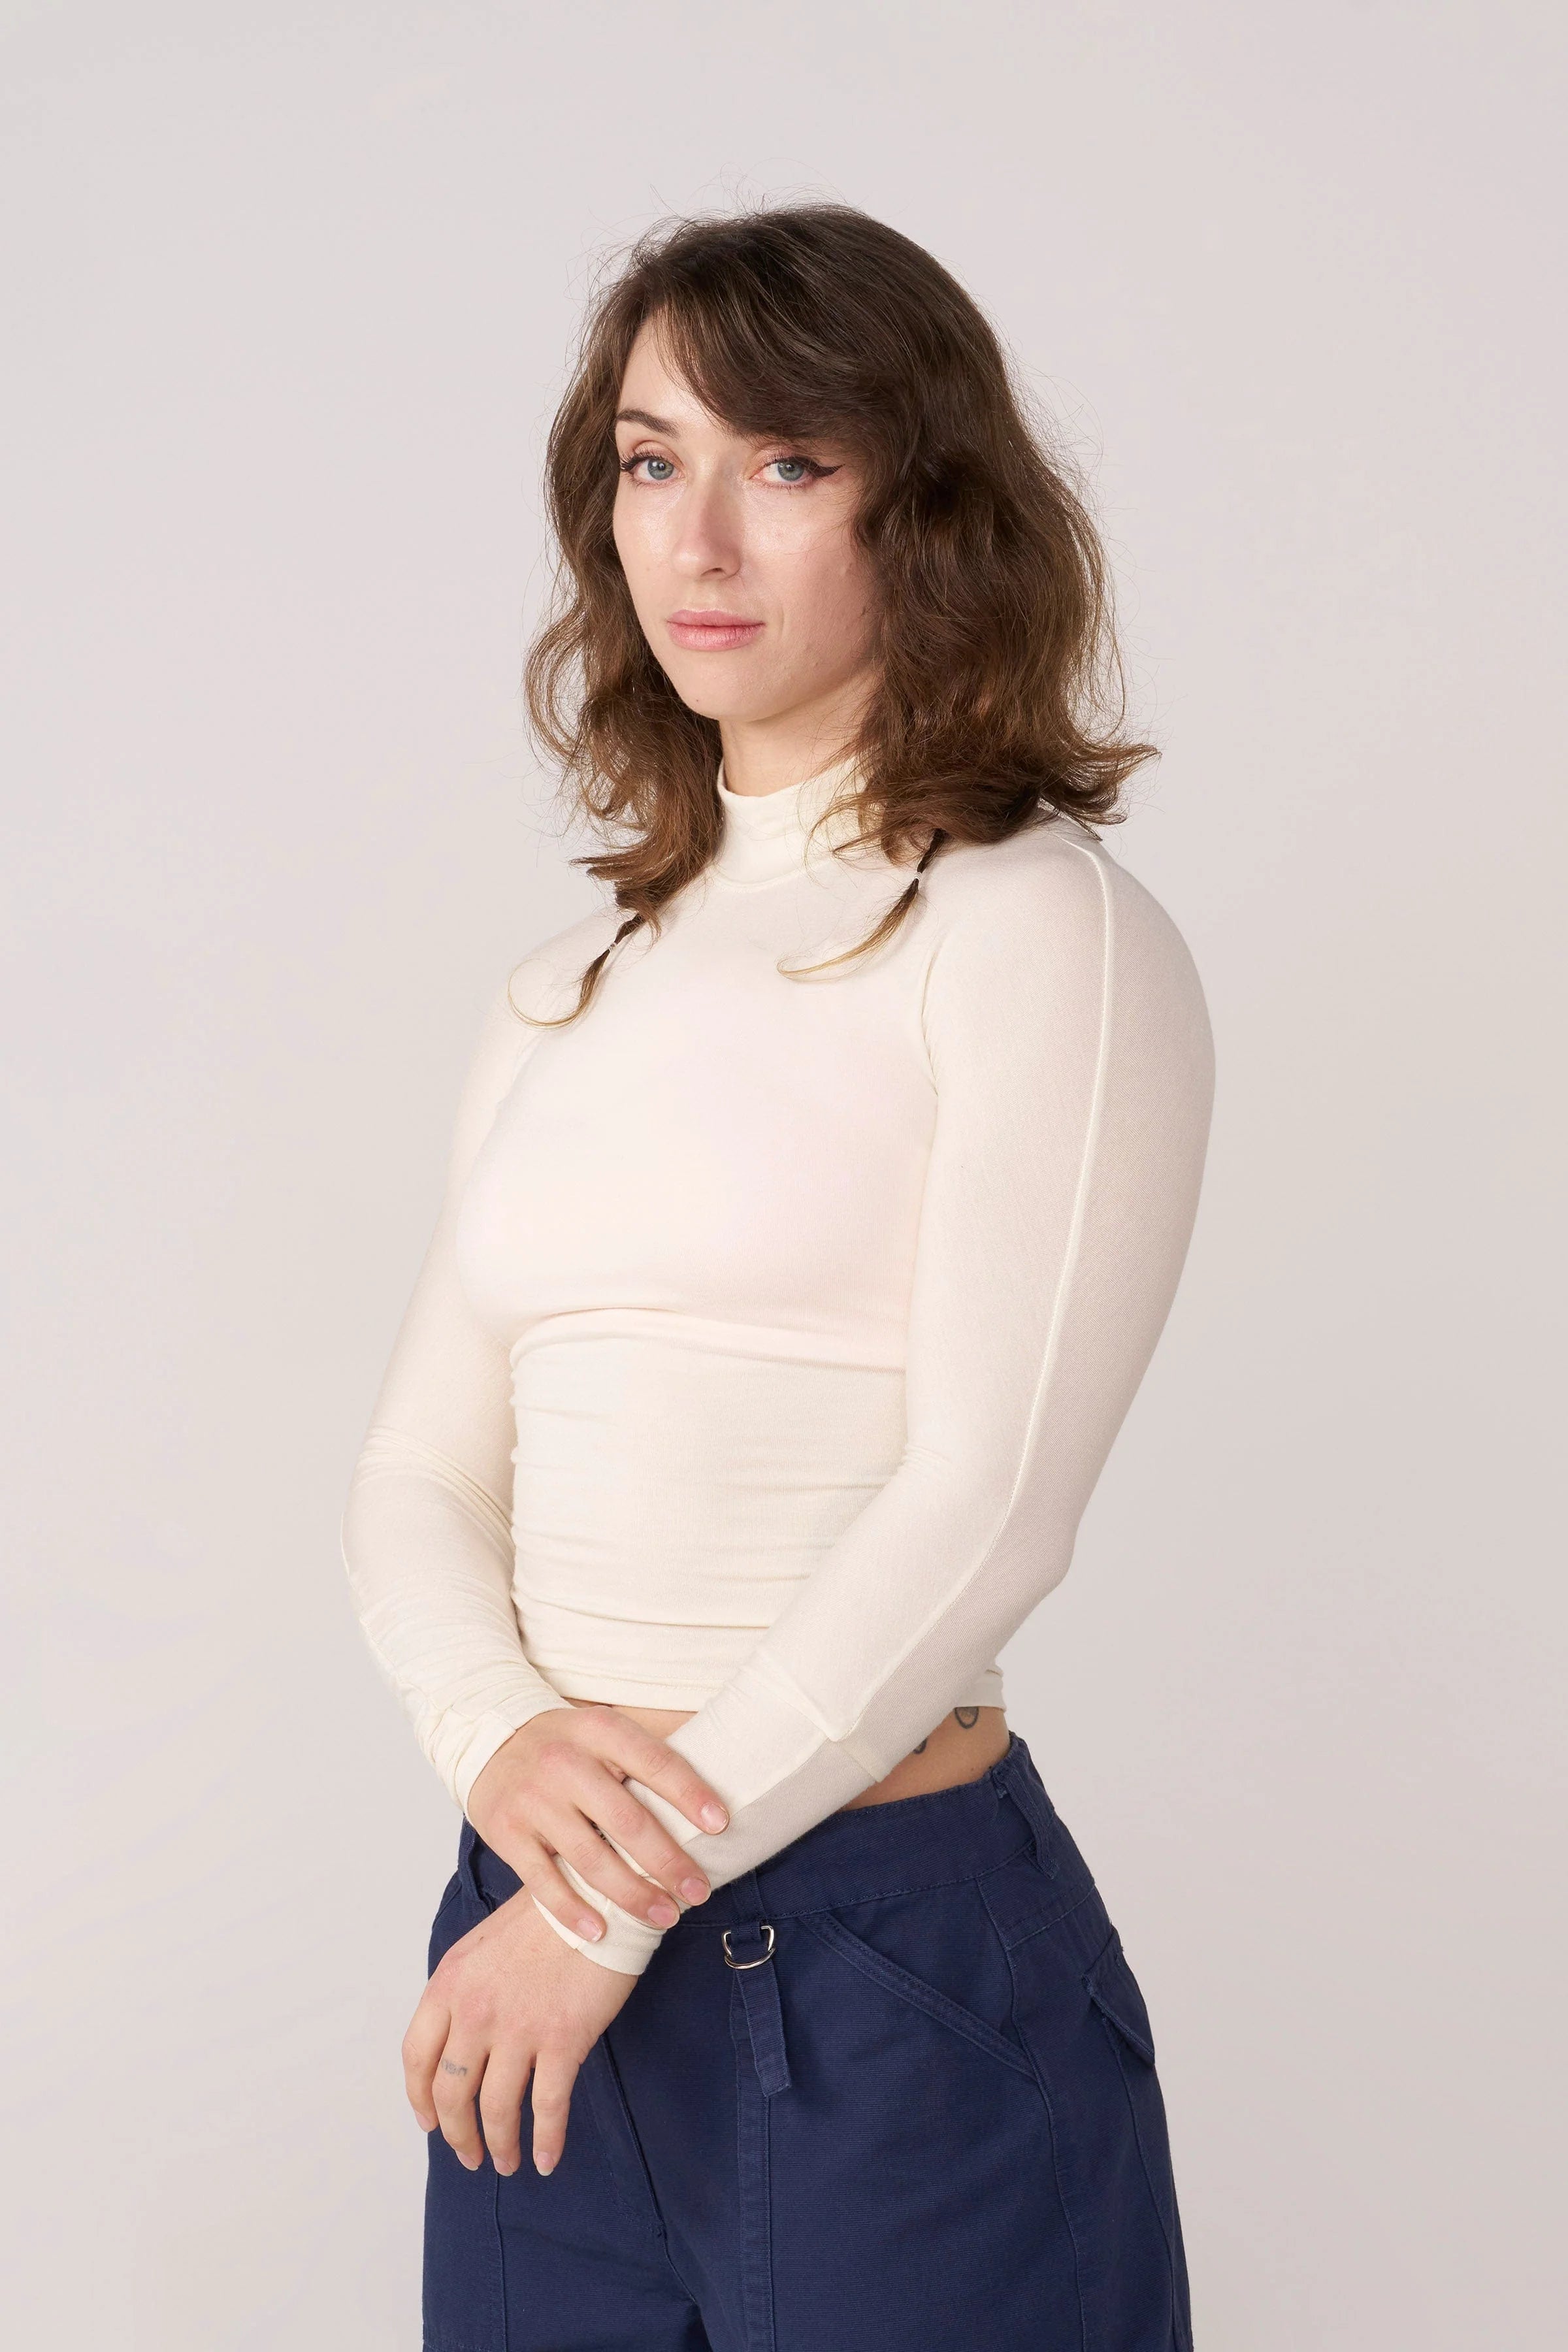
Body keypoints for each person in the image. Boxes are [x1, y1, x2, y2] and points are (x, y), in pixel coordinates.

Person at [342, 203, 1214, 2352]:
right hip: (539, 1955)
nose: (701, 536)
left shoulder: (1036, 931)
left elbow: (992, 1509)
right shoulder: (567, 989)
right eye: (653, 462)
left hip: (867, 1962)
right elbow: (421, 1479)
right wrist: (501, 1753)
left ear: (930, 508)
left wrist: (605, 1899)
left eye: (789, 462)